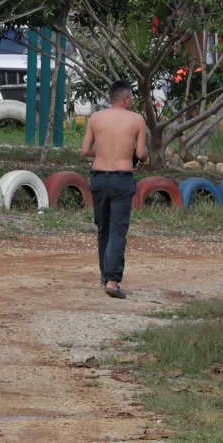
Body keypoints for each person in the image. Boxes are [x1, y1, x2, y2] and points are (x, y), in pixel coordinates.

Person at [80, 79, 148, 300]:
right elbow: (140, 155)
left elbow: (85, 150)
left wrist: (103, 153)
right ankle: (112, 280)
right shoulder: (137, 120)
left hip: (98, 178)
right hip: (122, 179)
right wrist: (129, 154)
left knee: (103, 228)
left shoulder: (96, 118)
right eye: (132, 98)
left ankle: (104, 274)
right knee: (118, 229)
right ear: (126, 98)